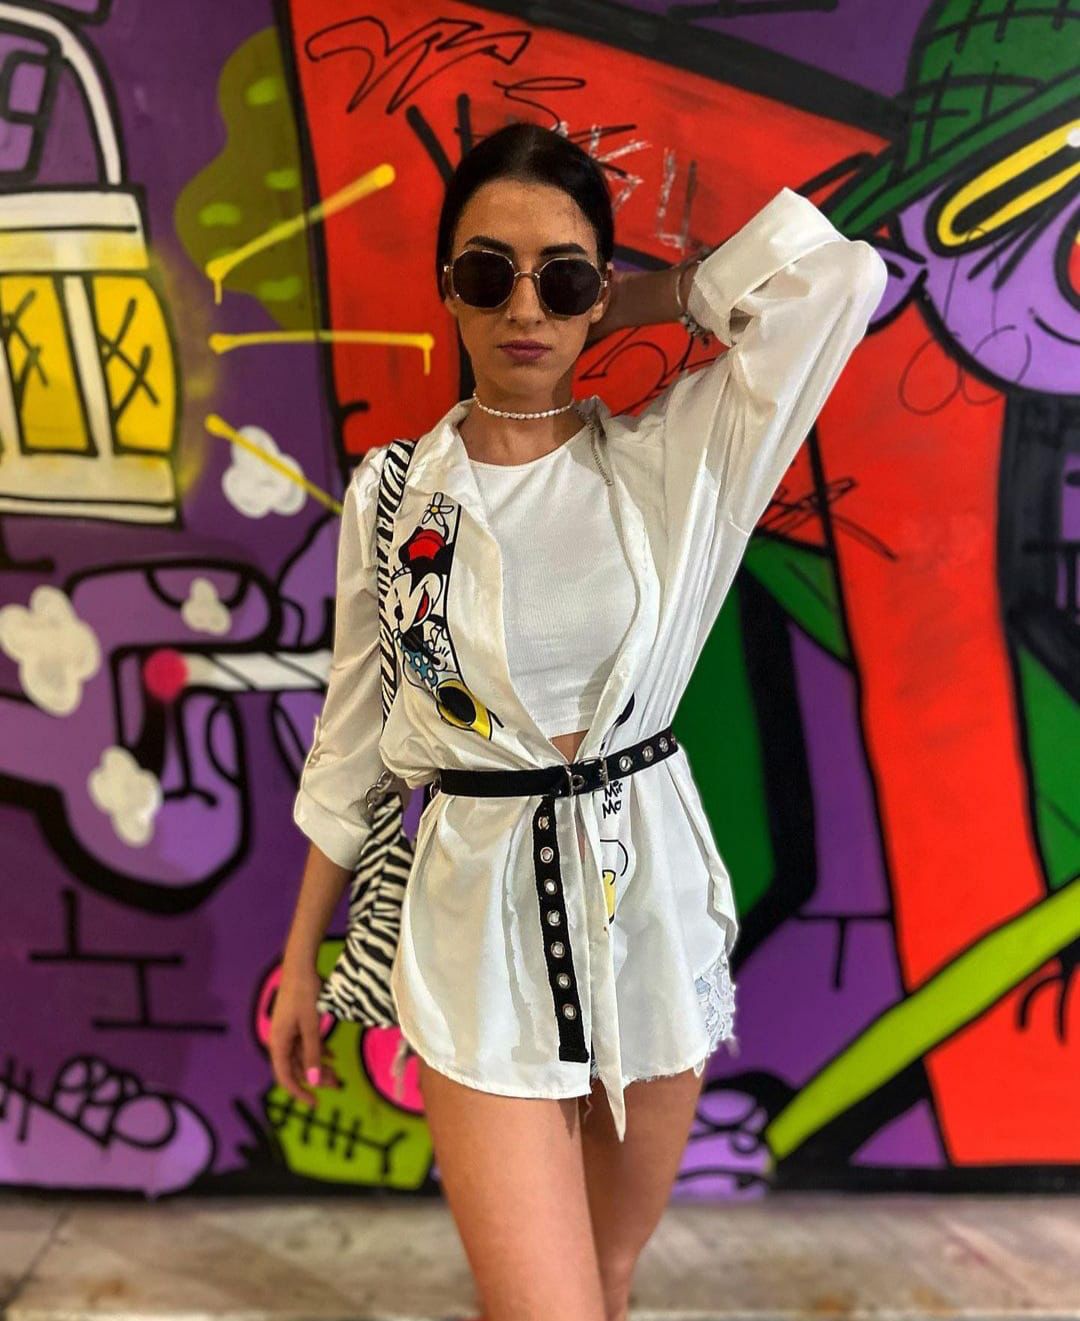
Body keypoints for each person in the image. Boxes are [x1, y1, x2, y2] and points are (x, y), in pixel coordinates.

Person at [271, 121, 888, 1321]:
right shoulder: (393, 498)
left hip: (646, 910)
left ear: (598, 289)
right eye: (486, 272)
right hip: (474, 935)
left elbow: (839, 280)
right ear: (447, 287)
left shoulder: (674, 464)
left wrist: (640, 297)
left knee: (604, 1283)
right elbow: (352, 743)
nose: (523, 307)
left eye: (560, 278)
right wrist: (305, 954)